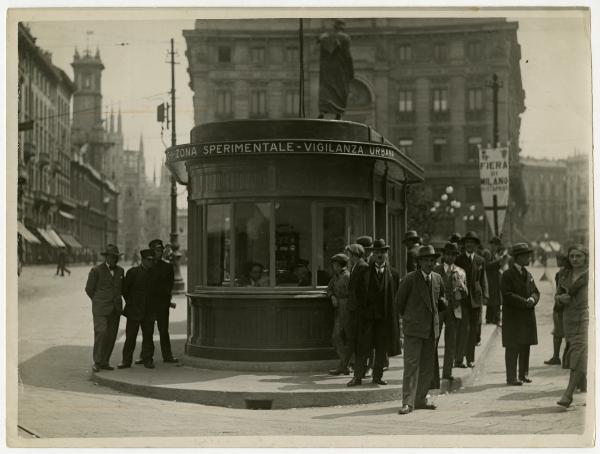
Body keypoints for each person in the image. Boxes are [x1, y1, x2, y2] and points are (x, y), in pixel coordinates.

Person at [397, 245, 446, 414]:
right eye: (426, 260)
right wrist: (409, 320)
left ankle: (420, 399)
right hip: (414, 330)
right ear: (419, 262)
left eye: (432, 260)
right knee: (411, 366)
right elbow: (399, 304)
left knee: (427, 366)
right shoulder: (410, 279)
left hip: (431, 330)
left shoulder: (438, 278)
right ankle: (407, 402)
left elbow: (441, 299)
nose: (429, 263)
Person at [347, 239, 400, 387]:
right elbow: (355, 293)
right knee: (362, 347)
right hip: (366, 318)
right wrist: (360, 313)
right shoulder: (364, 272)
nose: (380, 255)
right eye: (377, 252)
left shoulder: (394, 274)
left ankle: (377, 377)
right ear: (372, 254)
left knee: (381, 349)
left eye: (383, 252)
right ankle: (357, 377)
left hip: (384, 318)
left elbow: (396, 297)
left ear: (386, 254)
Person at [500, 243, 540, 386]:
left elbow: (536, 291)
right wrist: (525, 302)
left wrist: (532, 299)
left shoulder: (528, 274)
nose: (528, 257)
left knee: (525, 346)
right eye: (525, 255)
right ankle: (511, 377)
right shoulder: (508, 274)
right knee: (512, 347)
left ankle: (523, 374)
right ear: (518, 257)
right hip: (513, 317)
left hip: (526, 317)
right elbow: (507, 295)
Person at [557, 245, 589, 407]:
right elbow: (557, 295)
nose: (575, 259)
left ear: (586, 257)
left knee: (579, 352)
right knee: (580, 354)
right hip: (569, 319)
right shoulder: (564, 274)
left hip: (587, 318)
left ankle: (568, 394)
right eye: (572, 256)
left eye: (579, 256)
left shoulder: (592, 274)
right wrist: (560, 298)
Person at [136, 239, 178, 364]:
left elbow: (170, 285)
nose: (158, 253)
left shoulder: (168, 267)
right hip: (149, 304)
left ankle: (168, 355)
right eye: (155, 250)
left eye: (160, 250)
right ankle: (145, 356)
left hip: (162, 304)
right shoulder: (147, 265)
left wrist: (166, 299)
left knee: (164, 330)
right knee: (147, 331)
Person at [432, 242, 468, 387]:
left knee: (451, 341)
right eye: (448, 254)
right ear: (443, 254)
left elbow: (465, 294)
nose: (451, 257)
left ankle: (447, 373)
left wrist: (462, 287)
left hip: (454, 309)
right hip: (439, 309)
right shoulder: (436, 269)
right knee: (434, 340)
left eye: (453, 255)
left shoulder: (460, 271)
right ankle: (432, 374)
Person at [84, 244, 124, 372]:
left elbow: (122, 289)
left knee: (111, 335)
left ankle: (105, 361)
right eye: (112, 257)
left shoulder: (120, 271)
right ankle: (97, 362)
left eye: (116, 257)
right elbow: (89, 289)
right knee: (101, 333)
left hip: (115, 309)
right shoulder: (96, 270)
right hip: (100, 309)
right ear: (106, 257)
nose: (114, 259)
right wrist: (98, 300)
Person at [454, 231, 488, 368]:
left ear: (475, 245)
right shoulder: (459, 260)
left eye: (472, 243)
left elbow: (483, 279)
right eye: (467, 242)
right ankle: (459, 359)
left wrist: (485, 294)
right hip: (462, 299)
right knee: (463, 328)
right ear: (464, 245)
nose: (469, 245)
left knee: (473, 329)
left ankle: (470, 359)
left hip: (476, 299)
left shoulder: (480, 260)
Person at [119, 249, 156, 369]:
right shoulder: (132, 272)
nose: (151, 263)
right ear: (143, 260)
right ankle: (126, 361)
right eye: (149, 260)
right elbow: (125, 290)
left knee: (148, 337)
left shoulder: (154, 274)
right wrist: (132, 302)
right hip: (134, 310)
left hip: (149, 311)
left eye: (152, 260)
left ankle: (148, 359)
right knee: (130, 337)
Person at [338, 243, 368, 375]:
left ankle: (359, 368)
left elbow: (364, 291)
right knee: (352, 339)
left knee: (357, 340)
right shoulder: (356, 266)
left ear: (355, 254)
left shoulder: (362, 267)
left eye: (349, 253)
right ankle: (346, 366)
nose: (348, 256)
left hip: (359, 311)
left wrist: (359, 308)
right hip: (354, 309)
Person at [317, 19, 354, 120]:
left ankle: (322, 112)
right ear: (342, 27)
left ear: (334, 27)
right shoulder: (345, 38)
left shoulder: (326, 36)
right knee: (340, 90)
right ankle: (338, 114)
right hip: (340, 68)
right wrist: (351, 71)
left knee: (326, 89)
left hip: (328, 68)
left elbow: (319, 40)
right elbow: (347, 55)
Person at [327, 253, 351, 375]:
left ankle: (346, 365)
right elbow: (329, 288)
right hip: (339, 307)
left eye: (335, 264)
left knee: (346, 336)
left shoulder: (347, 276)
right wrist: (332, 297)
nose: (333, 266)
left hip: (346, 307)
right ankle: (344, 364)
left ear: (339, 265)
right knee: (337, 337)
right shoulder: (336, 276)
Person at [544, 252, 569, 366]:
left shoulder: (565, 273)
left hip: (564, 306)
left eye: (560, 259)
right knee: (557, 333)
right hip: (559, 305)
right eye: (557, 259)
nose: (558, 262)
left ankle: (560, 357)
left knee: (562, 333)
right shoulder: (560, 273)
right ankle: (556, 356)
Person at [485, 236, 508, 325]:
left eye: (497, 245)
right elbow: (486, 266)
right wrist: (498, 261)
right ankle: (492, 319)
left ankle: (494, 318)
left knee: (495, 300)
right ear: (491, 245)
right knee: (493, 301)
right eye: (494, 245)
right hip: (490, 280)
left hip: (494, 281)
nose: (496, 247)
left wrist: (501, 262)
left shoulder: (494, 254)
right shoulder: (488, 253)